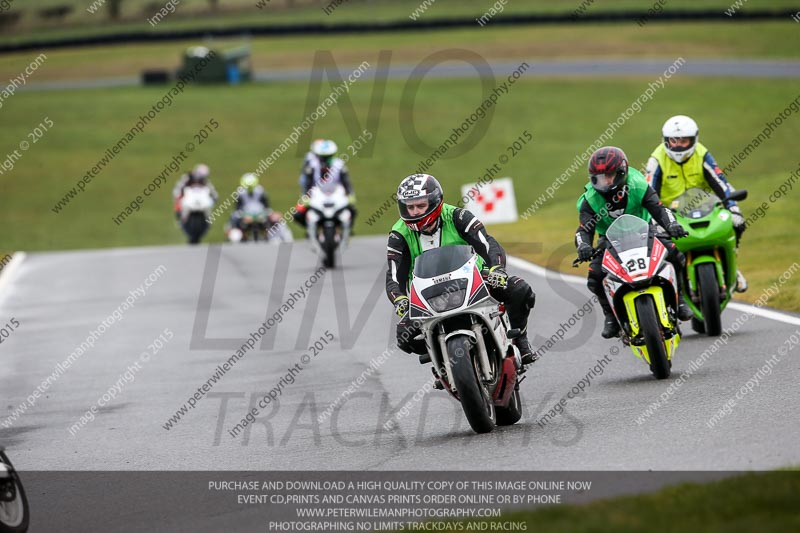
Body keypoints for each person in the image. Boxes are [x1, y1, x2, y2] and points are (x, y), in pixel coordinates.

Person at [385, 173, 537, 364]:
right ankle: (442, 358)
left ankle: (520, 339)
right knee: (403, 337)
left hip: (475, 282)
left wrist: (496, 269)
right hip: (427, 296)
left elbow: (487, 243)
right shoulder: (398, 234)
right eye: (410, 206)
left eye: (420, 205)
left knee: (520, 289)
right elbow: (393, 274)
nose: (414, 212)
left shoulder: (458, 216)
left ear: (435, 202)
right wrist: (400, 299)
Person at [575, 146, 692, 339]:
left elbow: (660, 210)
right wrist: (584, 246)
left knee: (676, 255)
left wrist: (672, 226)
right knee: (594, 276)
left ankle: (681, 301)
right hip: (610, 241)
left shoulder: (638, 185)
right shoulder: (589, 200)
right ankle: (611, 317)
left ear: (622, 172)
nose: (604, 183)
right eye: (598, 178)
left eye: (609, 176)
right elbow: (583, 230)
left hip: (644, 231)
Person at [645, 115, 747, 292]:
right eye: (673, 141)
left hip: (705, 208)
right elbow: (648, 194)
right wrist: (655, 221)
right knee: (659, 243)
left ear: (694, 139)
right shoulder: (656, 160)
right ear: (665, 140)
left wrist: (734, 209)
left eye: (684, 141)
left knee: (737, 224)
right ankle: (670, 285)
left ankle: (733, 266)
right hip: (671, 215)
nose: (678, 145)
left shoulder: (701, 153)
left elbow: (721, 182)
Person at [292, 139, 357, 231]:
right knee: (298, 213)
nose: (325, 159)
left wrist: (350, 195)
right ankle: (311, 228)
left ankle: (346, 230)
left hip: (336, 195)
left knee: (352, 210)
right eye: (323, 157)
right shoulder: (311, 167)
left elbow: (346, 182)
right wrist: (305, 196)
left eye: (328, 156)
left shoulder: (339, 165)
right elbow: (307, 183)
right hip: (316, 196)